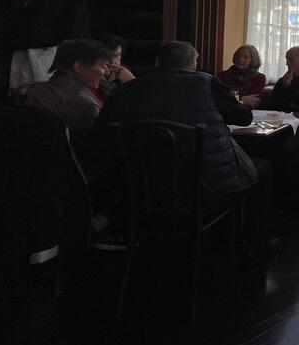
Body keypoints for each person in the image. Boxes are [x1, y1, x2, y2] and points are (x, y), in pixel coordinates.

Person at [91, 41, 273, 242]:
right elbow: (243, 118)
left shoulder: (126, 90)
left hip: (143, 189)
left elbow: (100, 136)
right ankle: (252, 242)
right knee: (262, 168)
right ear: (193, 65)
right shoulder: (207, 83)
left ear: (158, 62)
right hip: (204, 188)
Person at [24, 38, 112, 147]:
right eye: (103, 66)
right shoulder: (87, 106)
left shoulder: (35, 91)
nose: (107, 72)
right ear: (78, 67)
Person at [96, 34, 135, 102]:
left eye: (117, 55)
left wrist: (132, 80)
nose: (113, 61)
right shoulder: (93, 74)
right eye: (109, 56)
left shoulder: (124, 70)